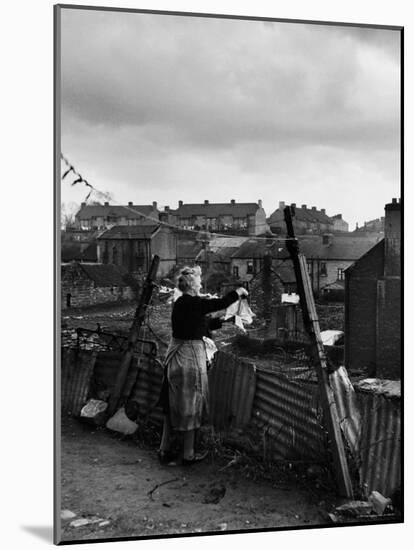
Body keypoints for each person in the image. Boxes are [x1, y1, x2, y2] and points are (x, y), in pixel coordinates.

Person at [158, 265, 248, 465]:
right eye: (199, 280)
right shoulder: (192, 301)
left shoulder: (182, 303)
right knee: (192, 405)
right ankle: (188, 454)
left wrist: (227, 319)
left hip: (176, 359)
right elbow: (221, 303)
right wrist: (239, 292)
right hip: (189, 360)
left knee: (172, 406)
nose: (201, 283)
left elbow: (201, 324)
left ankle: (164, 450)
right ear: (191, 285)